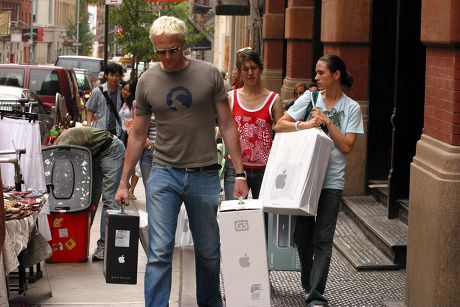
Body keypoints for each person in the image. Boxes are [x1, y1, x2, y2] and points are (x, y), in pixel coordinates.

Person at [114, 16, 249, 307]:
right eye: (160, 51)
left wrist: (240, 173)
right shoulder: (148, 81)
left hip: (204, 174)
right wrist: (124, 181)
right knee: (160, 251)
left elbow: (227, 124)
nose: (166, 57)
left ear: (183, 44)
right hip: (163, 172)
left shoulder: (210, 75)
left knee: (209, 251)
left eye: (172, 50)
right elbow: (137, 134)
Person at [274, 54, 364, 307]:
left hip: (332, 181)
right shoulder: (309, 98)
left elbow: (347, 146)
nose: (316, 77)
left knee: (323, 238)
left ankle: (315, 294)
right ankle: (307, 282)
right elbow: (280, 125)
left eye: (321, 73)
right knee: (303, 236)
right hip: (304, 179)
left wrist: (326, 123)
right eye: (316, 72)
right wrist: (307, 124)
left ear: (336, 75)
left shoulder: (351, 108)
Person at [53, 127, 125, 261]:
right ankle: (80, 242)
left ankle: (104, 246)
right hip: (94, 154)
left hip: (111, 149)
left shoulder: (67, 143)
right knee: (88, 200)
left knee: (110, 199)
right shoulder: (61, 147)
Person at [224, 47, 283, 202]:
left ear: (260, 69)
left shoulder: (274, 100)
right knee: (234, 214)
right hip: (235, 167)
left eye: (254, 68)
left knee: (264, 217)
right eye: (245, 69)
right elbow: (224, 128)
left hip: (265, 169)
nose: (250, 73)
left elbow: (281, 134)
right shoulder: (231, 98)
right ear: (239, 72)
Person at [86, 63, 124, 137]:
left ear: (120, 77)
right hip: (100, 130)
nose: (114, 78)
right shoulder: (98, 91)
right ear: (106, 75)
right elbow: (90, 110)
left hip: (117, 131)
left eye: (117, 76)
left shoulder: (122, 90)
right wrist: (89, 127)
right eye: (112, 75)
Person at [118, 80, 140, 200]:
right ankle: (126, 186)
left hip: (131, 136)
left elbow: (137, 120)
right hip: (123, 135)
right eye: (124, 89)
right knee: (127, 162)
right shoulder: (123, 102)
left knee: (133, 163)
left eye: (128, 90)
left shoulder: (134, 103)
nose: (125, 92)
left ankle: (131, 189)